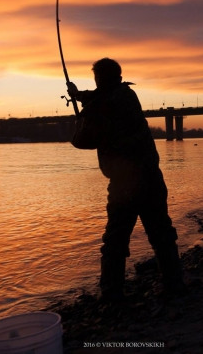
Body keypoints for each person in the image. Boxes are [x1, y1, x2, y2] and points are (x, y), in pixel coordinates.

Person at [67, 58, 185, 302]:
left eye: (98, 80)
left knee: (116, 241)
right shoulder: (125, 96)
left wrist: (81, 114)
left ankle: (111, 294)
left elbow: (82, 141)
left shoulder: (107, 104)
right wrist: (80, 96)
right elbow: (101, 98)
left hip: (126, 184)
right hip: (149, 178)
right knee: (160, 233)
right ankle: (174, 284)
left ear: (101, 79)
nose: (98, 84)